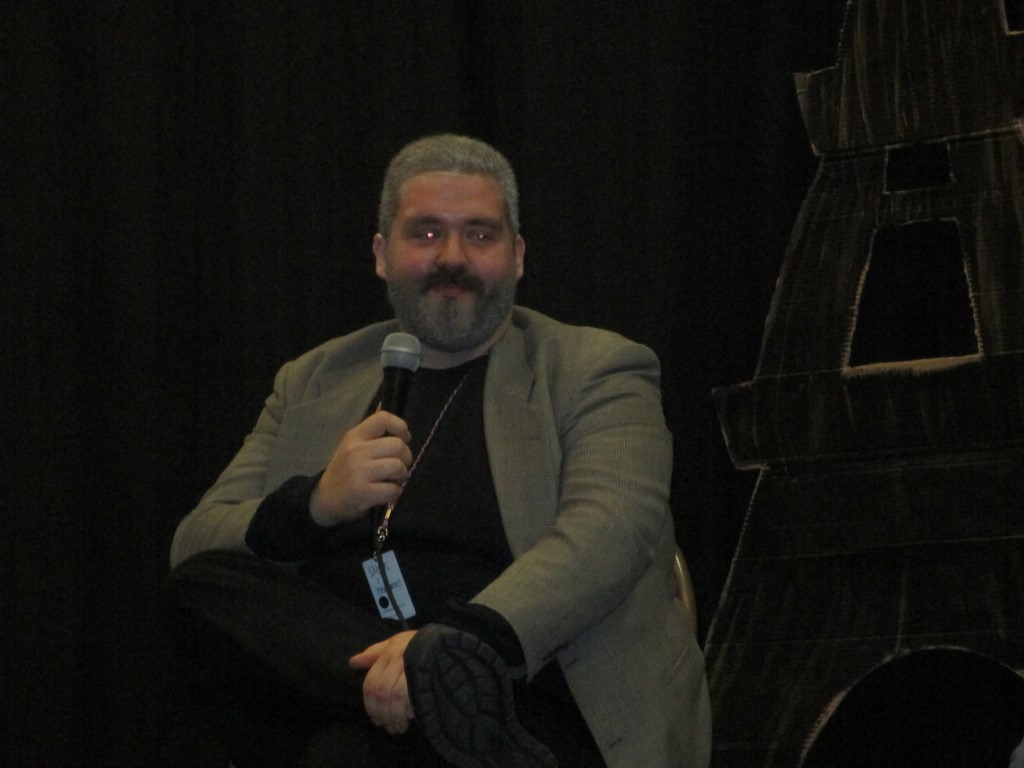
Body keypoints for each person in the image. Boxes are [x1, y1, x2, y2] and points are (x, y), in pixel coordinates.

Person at [165, 134, 711, 768]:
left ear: (517, 256)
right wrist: (315, 504)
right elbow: (195, 543)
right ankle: (432, 690)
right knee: (201, 586)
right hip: (361, 696)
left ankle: (444, 677)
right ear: (382, 255)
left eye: (480, 235)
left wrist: (460, 639)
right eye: (425, 234)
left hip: (533, 696)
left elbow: (609, 533)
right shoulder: (312, 380)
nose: (452, 257)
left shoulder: (596, 368)